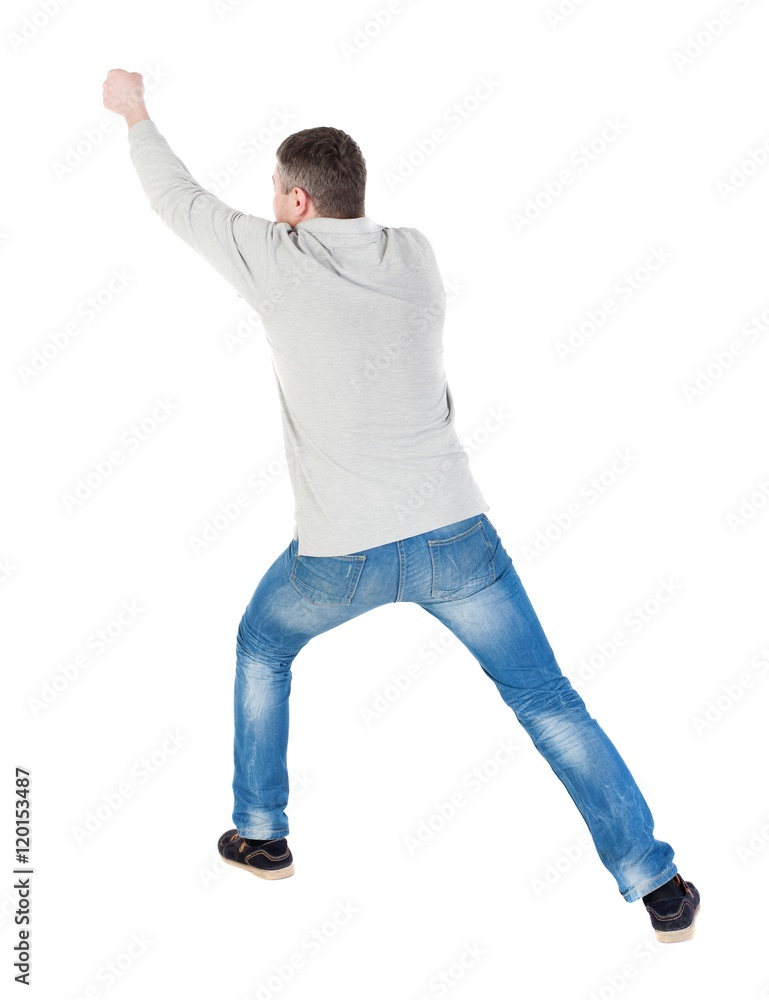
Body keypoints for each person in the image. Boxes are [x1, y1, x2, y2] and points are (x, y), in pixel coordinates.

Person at [102, 68, 700, 943]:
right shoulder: (413, 254)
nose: (269, 206)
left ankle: (262, 835)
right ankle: (658, 885)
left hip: (339, 557)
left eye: (276, 192)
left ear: (298, 201)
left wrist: (135, 113)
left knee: (262, 645)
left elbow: (176, 198)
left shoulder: (276, 261)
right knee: (547, 701)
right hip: (458, 538)